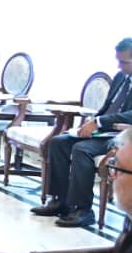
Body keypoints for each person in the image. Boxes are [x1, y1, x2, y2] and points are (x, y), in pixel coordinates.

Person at [35, 38, 132, 228]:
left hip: (121, 136)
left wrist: (98, 122)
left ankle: (83, 210)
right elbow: (107, 108)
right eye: (118, 61)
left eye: (123, 62)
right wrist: (91, 121)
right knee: (58, 142)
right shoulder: (121, 78)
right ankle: (60, 200)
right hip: (101, 131)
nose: (119, 66)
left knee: (82, 149)